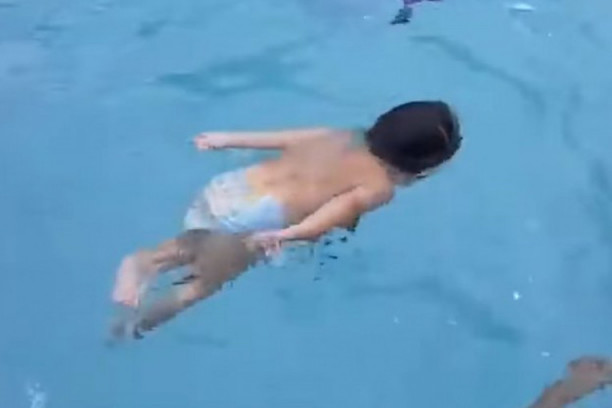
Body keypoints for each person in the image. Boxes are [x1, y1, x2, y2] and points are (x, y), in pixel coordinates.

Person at [110, 100, 462, 339]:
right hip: (253, 217)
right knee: (200, 287)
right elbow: (334, 213)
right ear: (420, 168)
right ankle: (134, 328)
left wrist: (226, 139)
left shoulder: (341, 134)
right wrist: (289, 234)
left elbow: (283, 138)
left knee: (189, 246)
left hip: (229, 189)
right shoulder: (379, 187)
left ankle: (142, 262)